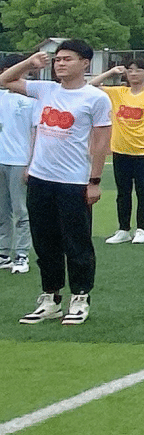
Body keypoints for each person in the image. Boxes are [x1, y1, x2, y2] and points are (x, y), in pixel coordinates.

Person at [7, 45, 112, 326]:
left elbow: (101, 142)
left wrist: (94, 181)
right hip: (41, 179)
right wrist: (29, 63)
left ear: (85, 63)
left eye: (68, 59)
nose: (60, 64)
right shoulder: (45, 89)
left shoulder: (96, 98)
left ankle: (80, 297)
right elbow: (4, 79)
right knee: (45, 243)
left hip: (73, 182)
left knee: (76, 243)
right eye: (57, 59)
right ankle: (50, 298)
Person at [93, 57, 144, 245]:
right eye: (130, 70)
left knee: (143, 191)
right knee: (123, 192)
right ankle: (123, 229)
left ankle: (141, 229)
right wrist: (111, 72)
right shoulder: (118, 92)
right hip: (120, 150)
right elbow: (90, 86)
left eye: (138, 70)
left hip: (142, 151)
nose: (133, 74)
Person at [0, 54, 36, 275]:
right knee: (2, 211)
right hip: (1, 160)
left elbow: (35, 132)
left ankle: (21, 254)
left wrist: (30, 164)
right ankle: (3, 253)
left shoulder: (32, 98)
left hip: (20, 161)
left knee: (21, 210)